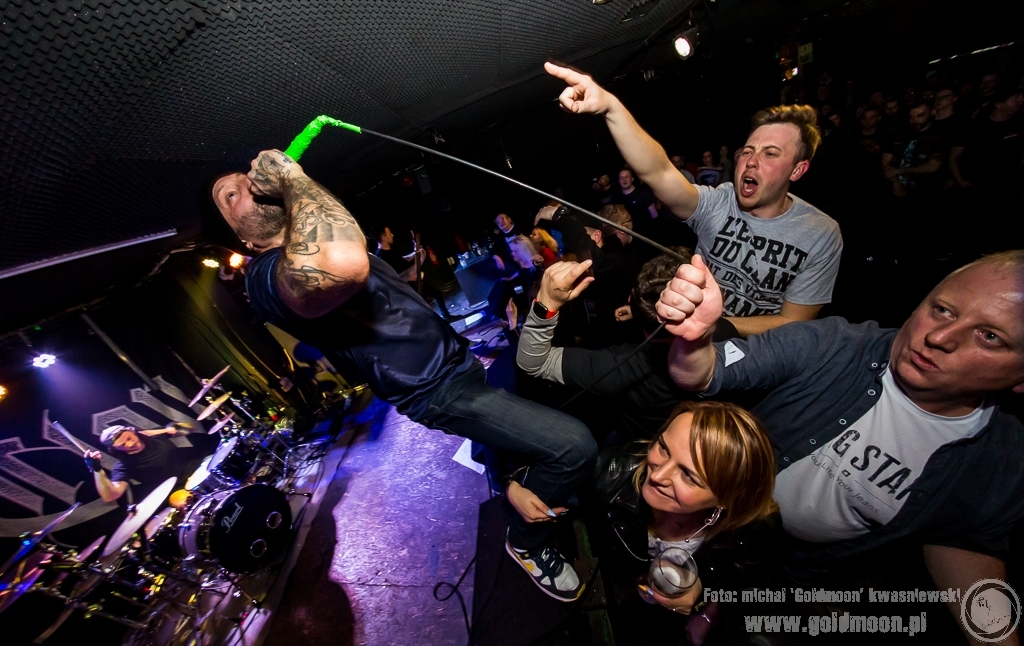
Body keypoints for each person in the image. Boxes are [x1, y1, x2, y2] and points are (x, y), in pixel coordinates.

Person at [210, 151, 597, 601]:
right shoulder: (263, 276)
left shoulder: (313, 234)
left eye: (244, 177)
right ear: (241, 238)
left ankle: (512, 480)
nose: (247, 183)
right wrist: (291, 177)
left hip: (456, 363)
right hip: (434, 389)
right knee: (574, 445)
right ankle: (526, 542)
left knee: (529, 411)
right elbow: (339, 261)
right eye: (230, 195)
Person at [655, 250, 1024, 641]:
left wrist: (995, 636)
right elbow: (705, 372)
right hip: (710, 527)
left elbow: (963, 542)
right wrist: (695, 341)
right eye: (943, 310)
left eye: (989, 336)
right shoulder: (833, 344)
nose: (939, 337)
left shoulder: (1004, 461)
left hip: (797, 582)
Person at [545, 62, 843, 338]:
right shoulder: (720, 201)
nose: (751, 161)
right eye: (748, 150)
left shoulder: (820, 233)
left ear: (798, 169)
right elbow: (659, 172)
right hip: (693, 349)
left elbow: (794, 322)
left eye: (770, 154)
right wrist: (611, 108)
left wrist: (716, 325)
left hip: (758, 360)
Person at [509, 401, 777, 645]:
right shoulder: (612, 476)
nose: (657, 475)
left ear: (726, 500)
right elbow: (537, 462)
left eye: (688, 476)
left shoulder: (752, 531)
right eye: (663, 448)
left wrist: (704, 604)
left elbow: (749, 591)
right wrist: (512, 486)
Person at [517, 250, 739, 438]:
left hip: (640, 448)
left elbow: (535, 362)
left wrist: (546, 301)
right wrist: (644, 311)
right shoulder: (724, 334)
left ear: (631, 300)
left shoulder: (622, 367)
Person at [85, 422, 215, 503]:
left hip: (198, 468)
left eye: (129, 438)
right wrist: (97, 470)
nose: (130, 444)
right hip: (178, 489)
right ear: (116, 449)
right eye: (122, 445)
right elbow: (111, 496)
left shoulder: (154, 436)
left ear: (132, 431)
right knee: (184, 503)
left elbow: (190, 427)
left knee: (218, 459)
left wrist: (173, 428)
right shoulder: (124, 465)